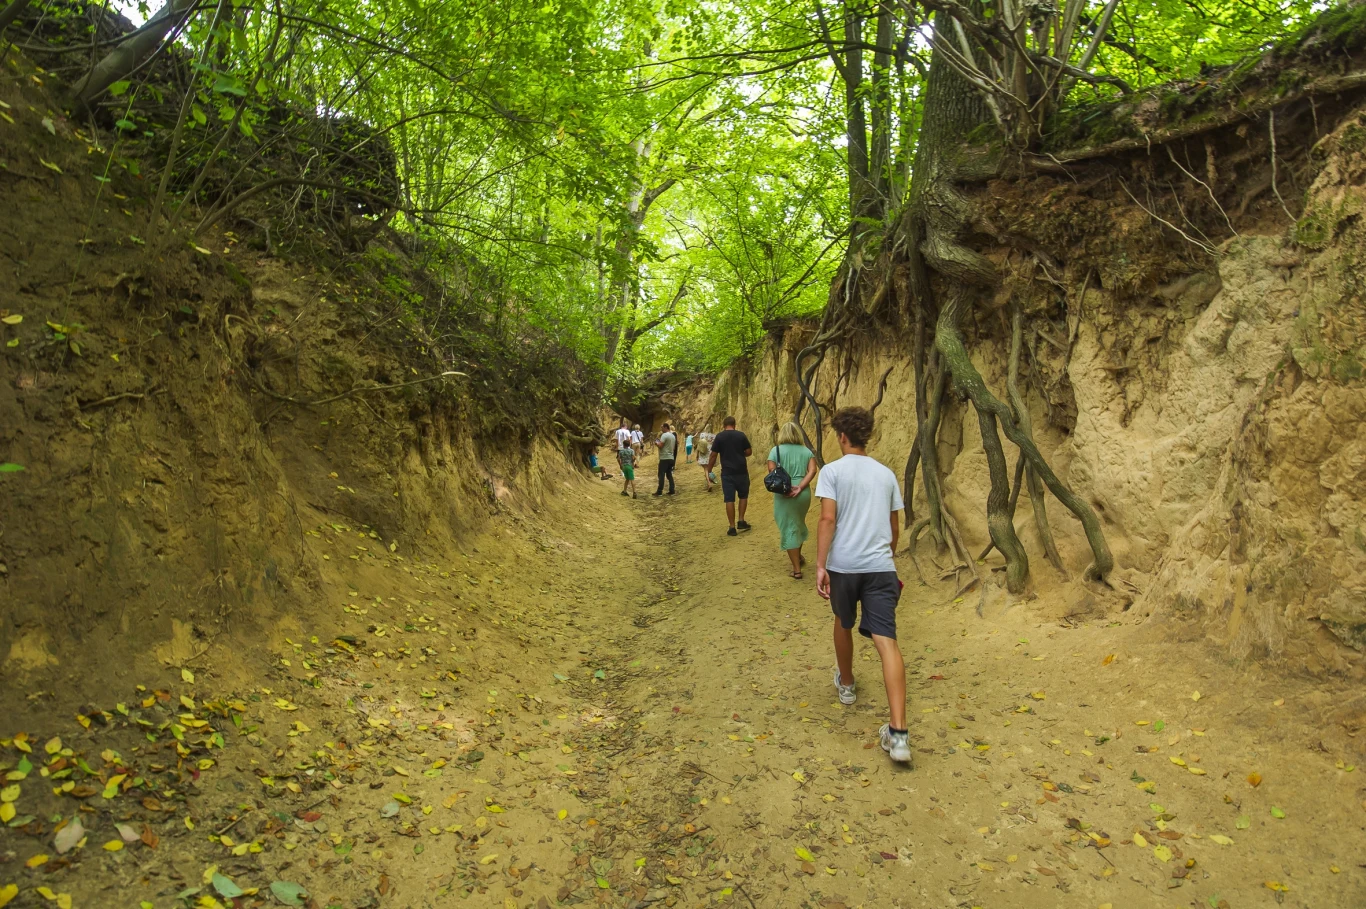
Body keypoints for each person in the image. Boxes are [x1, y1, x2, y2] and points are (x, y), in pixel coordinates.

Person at [814, 406, 910, 765]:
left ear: (842, 436)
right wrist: (885, 557)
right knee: (888, 641)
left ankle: (847, 684)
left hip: (844, 566)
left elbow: (827, 519)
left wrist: (821, 565)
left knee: (843, 621)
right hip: (880, 567)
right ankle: (899, 735)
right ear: (866, 436)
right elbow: (894, 527)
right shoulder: (886, 474)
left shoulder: (832, 471)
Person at [766, 422, 818, 579]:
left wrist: (787, 486)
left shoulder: (775, 451)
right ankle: (799, 557)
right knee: (797, 524)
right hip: (802, 493)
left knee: (788, 527)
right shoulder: (806, 451)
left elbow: (771, 470)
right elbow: (812, 470)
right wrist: (800, 487)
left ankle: (796, 570)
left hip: (784, 492)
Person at [707, 416, 752, 536]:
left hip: (727, 472)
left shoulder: (719, 437)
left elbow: (713, 455)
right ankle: (741, 520)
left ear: (723, 425)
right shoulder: (741, 435)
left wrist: (709, 469)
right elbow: (749, 452)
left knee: (729, 499)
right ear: (734, 424)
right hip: (742, 471)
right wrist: (740, 454)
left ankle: (732, 527)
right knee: (743, 496)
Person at [653, 422, 678, 496]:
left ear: (665, 427)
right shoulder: (673, 436)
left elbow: (660, 446)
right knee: (669, 474)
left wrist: (656, 443)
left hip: (664, 457)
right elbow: (673, 447)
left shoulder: (664, 435)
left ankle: (659, 491)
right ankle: (672, 489)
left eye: (662, 427)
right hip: (671, 457)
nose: (661, 429)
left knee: (661, 474)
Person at [614, 418, 637, 498]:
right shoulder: (631, 451)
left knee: (627, 479)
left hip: (624, 466)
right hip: (629, 465)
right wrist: (633, 463)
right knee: (632, 479)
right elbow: (634, 457)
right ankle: (634, 492)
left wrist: (620, 465)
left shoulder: (621, 452)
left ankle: (624, 491)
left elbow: (618, 458)